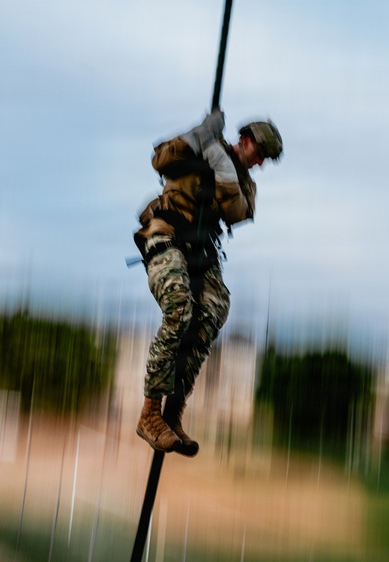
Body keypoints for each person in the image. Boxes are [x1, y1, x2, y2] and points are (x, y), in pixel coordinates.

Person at [133, 110, 282, 456]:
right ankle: (150, 412)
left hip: (200, 249)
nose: (258, 163)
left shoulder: (245, 183)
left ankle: (174, 411)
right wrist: (196, 136)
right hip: (166, 235)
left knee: (212, 311)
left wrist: (222, 166)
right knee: (179, 307)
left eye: (264, 160)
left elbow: (238, 211)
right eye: (258, 153)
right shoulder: (201, 147)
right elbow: (161, 159)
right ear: (245, 140)